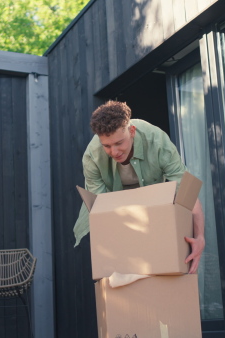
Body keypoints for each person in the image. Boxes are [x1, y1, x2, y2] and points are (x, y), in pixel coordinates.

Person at [74, 100, 205, 274]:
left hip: (155, 200)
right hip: (113, 205)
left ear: (132, 131)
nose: (114, 152)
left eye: (119, 143)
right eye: (107, 146)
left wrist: (200, 237)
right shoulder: (92, 157)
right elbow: (101, 209)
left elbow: (187, 192)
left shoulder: (158, 142)